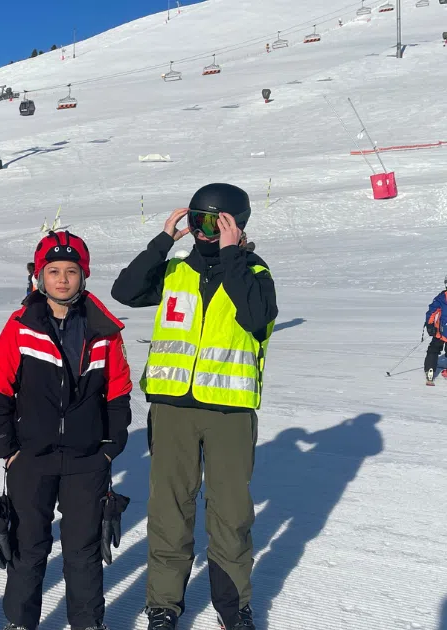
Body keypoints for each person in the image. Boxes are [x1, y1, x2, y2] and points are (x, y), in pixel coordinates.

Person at [111, 184, 278, 630]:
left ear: (238, 226)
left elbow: (256, 316)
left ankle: (232, 607)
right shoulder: (174, 272)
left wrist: (231, 255)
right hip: (172, 411)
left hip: (230, 412)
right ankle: (164, 605)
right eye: (199, 222)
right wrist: (163, 240)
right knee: (170, 509)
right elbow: (125, 291)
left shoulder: (255, 273)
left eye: (217, 224)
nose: (206, 233)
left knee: (230, 512)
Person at [0, 230, 133, 630]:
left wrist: (110, 446)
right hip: (31, 459)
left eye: (71, 270)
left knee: (83, 550)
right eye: (53, 271)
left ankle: (87, 623)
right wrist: (8, 449)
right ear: (39, 276)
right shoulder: (20, 327)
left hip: (87, 460)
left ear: (83, 275)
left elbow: (119, 392)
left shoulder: (105, 330)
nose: (63, 279)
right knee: (27, 547)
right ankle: (20, 622)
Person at [424, 277, 447, 385]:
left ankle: (430, 369)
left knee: (433, 349)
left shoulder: (442, 297)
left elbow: (432, 312)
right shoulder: (441, 297)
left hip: (441, 331)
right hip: (441, 330)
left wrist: (429, 325)